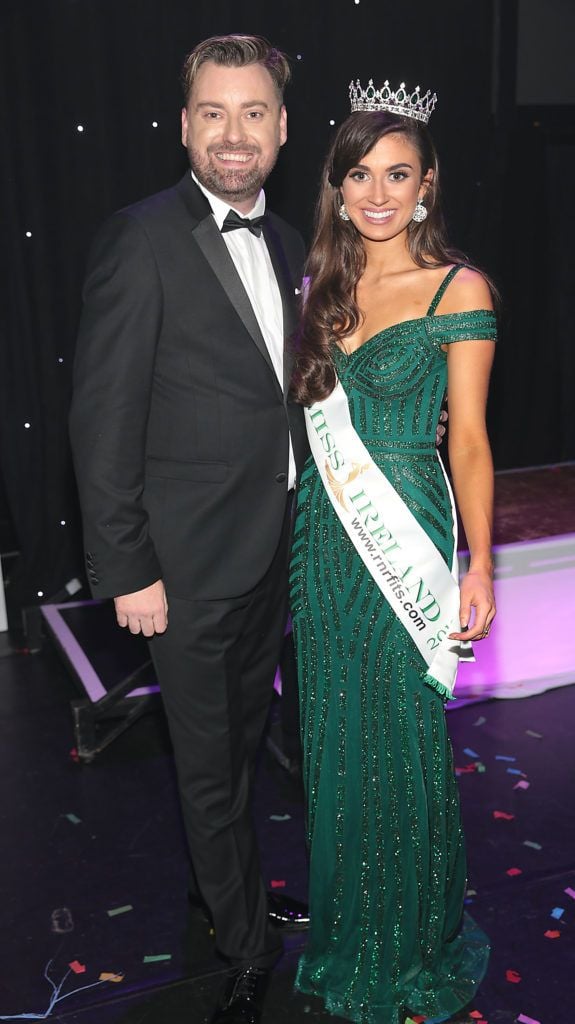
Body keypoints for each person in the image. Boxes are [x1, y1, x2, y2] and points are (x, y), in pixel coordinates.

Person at [69, 34, 310, 1024]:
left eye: (252, 112)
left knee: (241, 741)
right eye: (212, 112)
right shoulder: (140, 236)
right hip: (183, 567)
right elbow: (102, 415)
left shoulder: (293, 242)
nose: (232, 133)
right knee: (207, 761)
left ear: (282, 127)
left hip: (270, 552)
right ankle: (244, 943)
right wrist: (127, 568)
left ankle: (226, 891)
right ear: (183, 125)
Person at [289, 80, 497, 1024]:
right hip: (323, 541)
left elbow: (468, 443)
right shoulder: (321, 283)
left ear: (426, 185)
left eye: (397, 174)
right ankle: (346, 935)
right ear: (337, 186)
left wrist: (479, 564)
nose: (377, 193)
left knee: (403, 746)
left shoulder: (460, 289)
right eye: (358, 174)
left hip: (404, 530)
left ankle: (410, 943)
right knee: (334, 745)